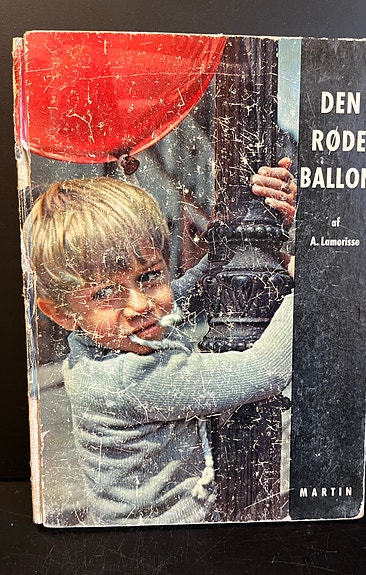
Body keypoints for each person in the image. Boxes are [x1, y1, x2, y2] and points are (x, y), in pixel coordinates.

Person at [23, 159, 297, 526]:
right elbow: (264, 371)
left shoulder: (103, 337)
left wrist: (248, 238)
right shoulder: (127, 379)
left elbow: (186, 291)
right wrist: (311, 278)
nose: (140, 305)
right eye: (105, 293)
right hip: (161, 537)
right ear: (61, 314)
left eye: (149, 276)